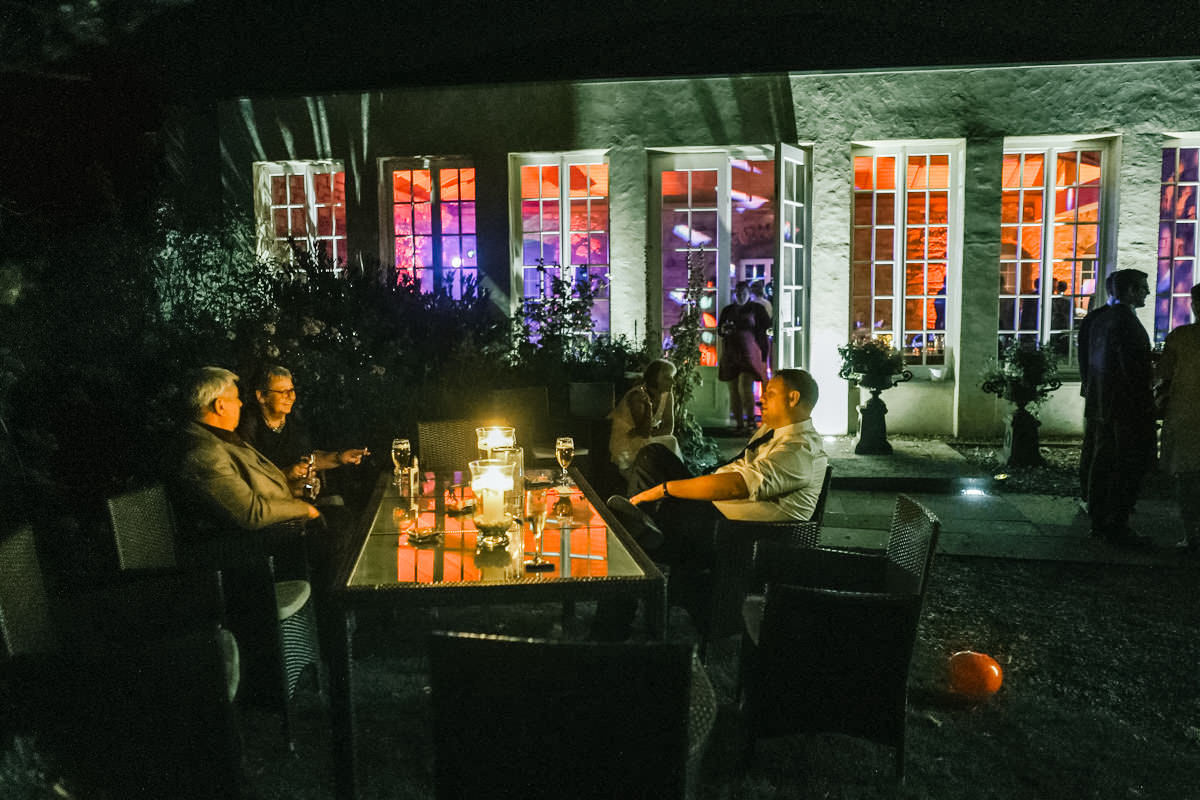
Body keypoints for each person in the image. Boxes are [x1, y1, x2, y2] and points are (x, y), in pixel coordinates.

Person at [594, 370, 827, 639]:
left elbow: (737, 485)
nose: (761, 398)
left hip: (735, 535)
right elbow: (731, 473)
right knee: (653, 455)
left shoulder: (798, 450)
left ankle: (610, 626)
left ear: (793, 398)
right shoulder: (772, 433)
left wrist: (665, 489)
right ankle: (644, 524)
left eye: (770, 393)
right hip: (714, 516)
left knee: (625, 537)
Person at [175, 366, 321, 532]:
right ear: (220, 406)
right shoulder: (204, 453)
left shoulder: (220, 438)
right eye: (236, 398)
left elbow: (251, 487)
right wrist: (305, 509)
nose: (240, 403)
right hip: (265, 539)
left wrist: (288, 485)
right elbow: (252, 513)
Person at [1082, 269, 1155, 546]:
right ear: (1131, 291)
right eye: (1144, 287)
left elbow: (1088, 362)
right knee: (1126, 466)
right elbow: (1134, 371)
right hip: (1125, 408)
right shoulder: (1127, 323)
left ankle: (1099, 519)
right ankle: (1117, 523)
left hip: (1102, 403)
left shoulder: (1100, 320)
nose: (1148, 292)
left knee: (1102, 462)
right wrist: (1146, 402)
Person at [237, 365, 367, 484]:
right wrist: (284, 475)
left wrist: (339, 458)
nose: (291, 397)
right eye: (283, 392)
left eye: (292, 390)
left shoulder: (294, 418)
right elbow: (246, 479)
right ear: (261, 396)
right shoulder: (248, 427)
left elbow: (309, 459)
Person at [1154, 282, 1200, 555]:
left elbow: (1164, 377)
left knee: (1188, 477)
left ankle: (1190, 534)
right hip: (1187, 415)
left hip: (1186, 415)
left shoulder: (1180, 337)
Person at [1077, 273, 1117, 507]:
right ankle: (1091, 493)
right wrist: (1088, 382)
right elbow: (1085, 355)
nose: (1147, 292)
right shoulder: (1102, 319)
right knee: (1096, 443)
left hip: (1097, 388)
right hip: (1101, 389)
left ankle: (1091, 492)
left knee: (1094, 442)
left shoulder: (1097, 317)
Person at [608, 359, 682, 486]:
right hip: (626, 443)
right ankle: (672, 484)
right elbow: (644, 432)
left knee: (670, 440)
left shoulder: (667, 395)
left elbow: (668, 428)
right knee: (670, 443)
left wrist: (646, 432)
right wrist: (648, 408)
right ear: (655, 378)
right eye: (668, 378)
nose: (673, 382)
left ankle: (673, 484)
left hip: (644, 437)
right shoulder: (637, 396)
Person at [717, 281, 771, 432]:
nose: (740, 295)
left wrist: (764, 356)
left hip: (750, 354)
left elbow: (766, 330)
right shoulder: (728, 310)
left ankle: (751, 421)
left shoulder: (757, 309)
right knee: (733, 389)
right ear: (734, 294)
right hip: (731, 354)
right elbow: (719, 330)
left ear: (749, 294)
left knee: (745, 387)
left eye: (743, 293)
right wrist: (724, 329)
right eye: (738, 293)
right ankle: (739, 423)